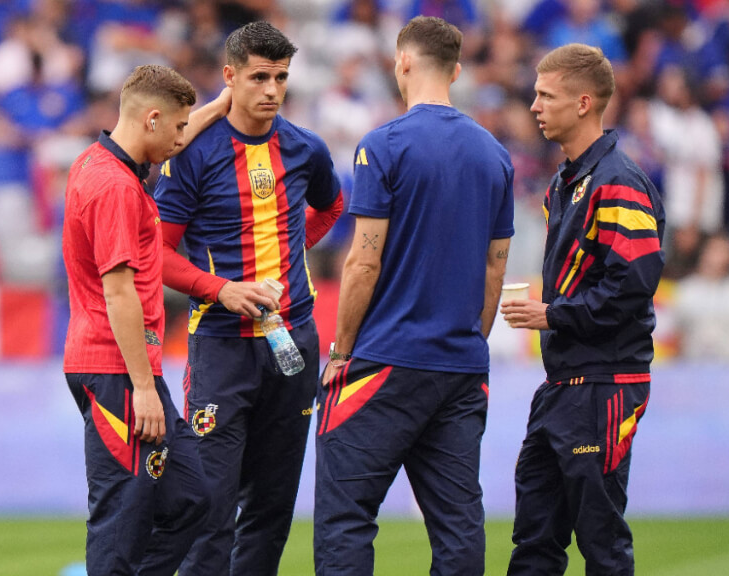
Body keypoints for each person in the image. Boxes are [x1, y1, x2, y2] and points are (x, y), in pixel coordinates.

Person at [315, 16, 514, 576]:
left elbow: (362, 260)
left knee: (346, 517)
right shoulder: (494, 154)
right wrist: (469, 342)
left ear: (402, 61)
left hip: (383, 361)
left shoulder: (384, 145)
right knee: (457, 525)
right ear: (456, 69)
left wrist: (341, 350)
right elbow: (494, 271)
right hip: (460, 366)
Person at [153, 21, 343, 576]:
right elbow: (159, 255)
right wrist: (223, 290)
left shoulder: (306, 149)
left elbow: (331, 208)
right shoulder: (192, 154)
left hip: (294, 343)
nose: (272, 90)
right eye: (259, 77)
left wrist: (289, 253)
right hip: (221, 348)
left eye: (281, 77)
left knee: (272, 506)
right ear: (230, 77)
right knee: (211, 506)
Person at [501, 43, 665, 575]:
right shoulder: (564, 182)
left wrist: (554, 315)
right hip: (562, 385)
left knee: (601, 543)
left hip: (605, 384)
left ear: (585, 103)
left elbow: (634, 283)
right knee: (534, 542)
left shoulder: (618, 181)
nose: (534, 106)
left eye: (546, 95)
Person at [61, 64, 231, 576]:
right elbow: (118, 292)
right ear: (152, 119)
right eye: (178, 127)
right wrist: (143, 386)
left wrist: (219, 107)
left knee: (190, 499)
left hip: (127, 364)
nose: (183, 138)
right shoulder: (114, 187)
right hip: (116, 369)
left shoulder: (102, 164)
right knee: (123, 516)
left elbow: (173, 132)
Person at [673, 233, 729, 360]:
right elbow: (677, 339)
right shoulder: (685, 290)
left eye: (725, 251)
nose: (720, 256)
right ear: (703, 253)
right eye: (716, 250)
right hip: (693, 370)